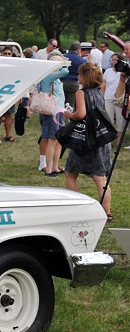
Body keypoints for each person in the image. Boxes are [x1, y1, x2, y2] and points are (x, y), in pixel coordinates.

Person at [63, 62, 112, 220]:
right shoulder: (99, 91)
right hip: (100, 137)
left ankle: (75, 207)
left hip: (85, 139)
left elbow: (81, 114)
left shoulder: (81, 93)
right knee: (100, 177)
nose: (77, 77)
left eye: (79, 74)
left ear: (84, 76)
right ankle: (106, 212)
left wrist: (69, 114)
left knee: (70, 173)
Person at [37, 50, 69, 177]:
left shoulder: (55, 78)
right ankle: (49, 169)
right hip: (51, 111)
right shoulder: (49, 75)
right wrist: (62, 64)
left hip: (57, 110)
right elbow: (66, 71)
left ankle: (55, 166)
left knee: (58, 140)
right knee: (52, 139)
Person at [102, 53, 126, 138]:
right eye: (113, 60)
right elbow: (103, 84)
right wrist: (101, 95)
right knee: (109, 118)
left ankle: (119, 139)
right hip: (108, 97)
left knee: (120, 118)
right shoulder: (108, 71)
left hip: (119, 98)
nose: (114, 61)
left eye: (116, 60)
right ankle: (110, 139)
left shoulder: (123, 72)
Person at [61, 42, 85, 107]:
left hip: (62, 81)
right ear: (78, 50)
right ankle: (69, 114)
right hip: (73, 82)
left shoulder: (63, 57)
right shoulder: (81, 61)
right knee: (71, 102)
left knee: (61, 100)